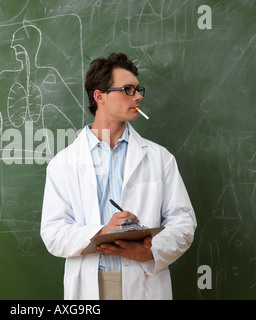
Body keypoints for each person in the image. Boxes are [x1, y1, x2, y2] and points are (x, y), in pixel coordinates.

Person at [40, 52, 197, 300]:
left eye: (137, 89)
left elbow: (184, 223)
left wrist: (149, 252)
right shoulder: (64, 163)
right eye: (128, 89)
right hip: (90, 286)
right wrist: (101, 232)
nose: (138, 96)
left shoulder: (159, 158)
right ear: (99, 96)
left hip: (143, 282)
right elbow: (53, 234)